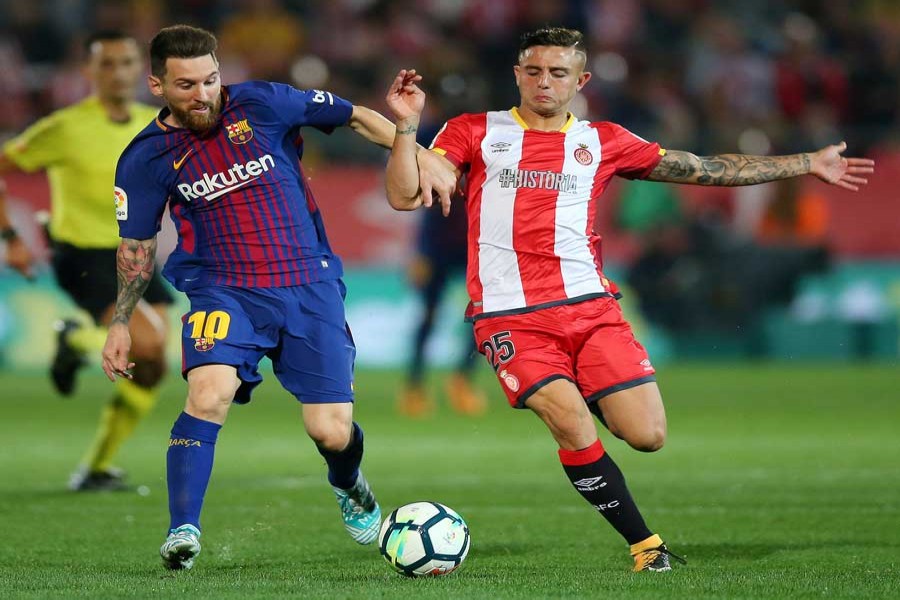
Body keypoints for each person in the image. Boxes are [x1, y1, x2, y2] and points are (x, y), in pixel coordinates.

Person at [383, 27, 874, 572]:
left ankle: (586, 393)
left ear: (580, 80)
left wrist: (806, 162)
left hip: (592, 311)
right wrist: (407, 128)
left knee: (647, 435)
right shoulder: (474, 132)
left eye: (559, 72)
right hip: (510, 316)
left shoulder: (605, 141)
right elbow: (405, 195)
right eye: (534, 71)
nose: (545, 82)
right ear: (517, 75)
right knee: (570, 424)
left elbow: (705, 170)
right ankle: (647, 546)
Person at [100, 24, 453, 571]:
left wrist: (418, 149)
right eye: (187, 85)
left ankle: (349, 483)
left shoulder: (263, 102)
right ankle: (182, 530)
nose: (203, 94)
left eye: (211, 80)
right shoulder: (144, 158)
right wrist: (122, 321)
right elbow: (135, 247)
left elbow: (356, 115)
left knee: (331, 431)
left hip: (307, 286)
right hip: (223, 291)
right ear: (157, 85)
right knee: (208, 393)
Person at [0, 30, 173, 492]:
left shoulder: (152, 122)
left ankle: (96, 467)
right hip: (81, 254)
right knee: (149, 347)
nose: (118, 72)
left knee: (154, 367)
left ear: (143, 70)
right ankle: (76, 339)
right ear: (89, 71)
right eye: (107, 63)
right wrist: (10, 236)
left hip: (135, 251)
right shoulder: (64, 127)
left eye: (127, 63)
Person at [399, 193, 487, 418]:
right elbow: (430, 208)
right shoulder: (447, 163)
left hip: (473, 249)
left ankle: (461, 381)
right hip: (436, 252)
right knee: (428, 318)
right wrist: (421, 253)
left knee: (483, 318)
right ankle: (414, 388)